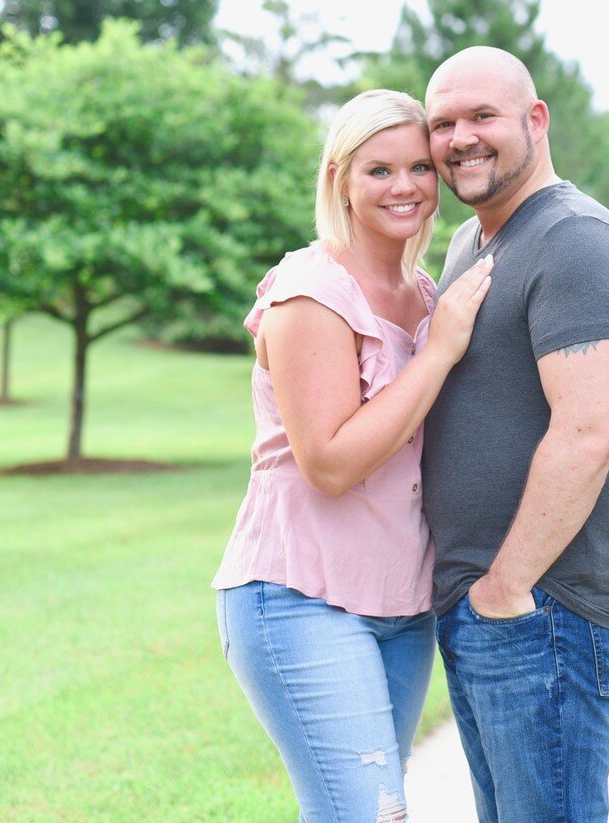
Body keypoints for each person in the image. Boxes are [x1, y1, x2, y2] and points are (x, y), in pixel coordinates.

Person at [211, 89, 493, 822]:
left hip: (402, 602)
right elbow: (330, 463)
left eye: (418, 169)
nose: (404, 187)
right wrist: (438, 354)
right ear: (340, 177)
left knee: (365, 809)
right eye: (378, 170)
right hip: (300, 593)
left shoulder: (427, 293)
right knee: (365, 814)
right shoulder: (312, 293)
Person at [421, 47, 609, 822]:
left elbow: (589, 434)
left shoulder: (575, 240)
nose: (460, 138)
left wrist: (507, 587)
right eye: (442, 122)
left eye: (482, 116)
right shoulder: (471, 243)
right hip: (484, 606)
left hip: (545, 606)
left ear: (535, 119)